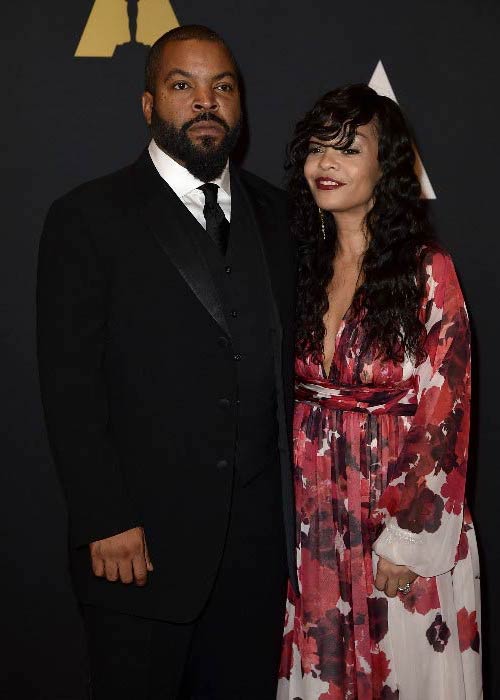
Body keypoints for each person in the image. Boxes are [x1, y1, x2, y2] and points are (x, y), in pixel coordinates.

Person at [37, 25, 297, 700]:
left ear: (241, 106)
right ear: (149, 104)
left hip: (258, 555)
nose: (205, 102)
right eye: (183, 86)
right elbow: (69, 382)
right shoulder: (88, 217)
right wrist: (104, 517)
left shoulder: (284, 215)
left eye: (223, 87)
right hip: (138, 550)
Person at [277, 84, 481, 699]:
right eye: (318, 148)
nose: (326, 163)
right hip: (315, 522)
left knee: (407, 671)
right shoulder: (299, 265)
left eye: (348, 148)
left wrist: (410, 540)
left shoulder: (427, 269)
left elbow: (446, 409)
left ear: (385, 165)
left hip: (399, 518)